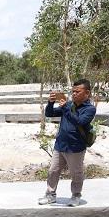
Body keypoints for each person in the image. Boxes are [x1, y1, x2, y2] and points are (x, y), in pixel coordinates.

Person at [38, 79, 96, 207]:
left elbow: (79, 122)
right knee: (53, 171)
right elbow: (49, 114)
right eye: (73, 91)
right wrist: (51, 102)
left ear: (87, 93)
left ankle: (76, 195)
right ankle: (50, 195)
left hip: (76, 148)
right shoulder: (68, 105)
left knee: (76, 173)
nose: (74, 94)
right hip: (60, 146)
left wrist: (65, 109)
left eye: (77, 91)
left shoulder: (90, 109)